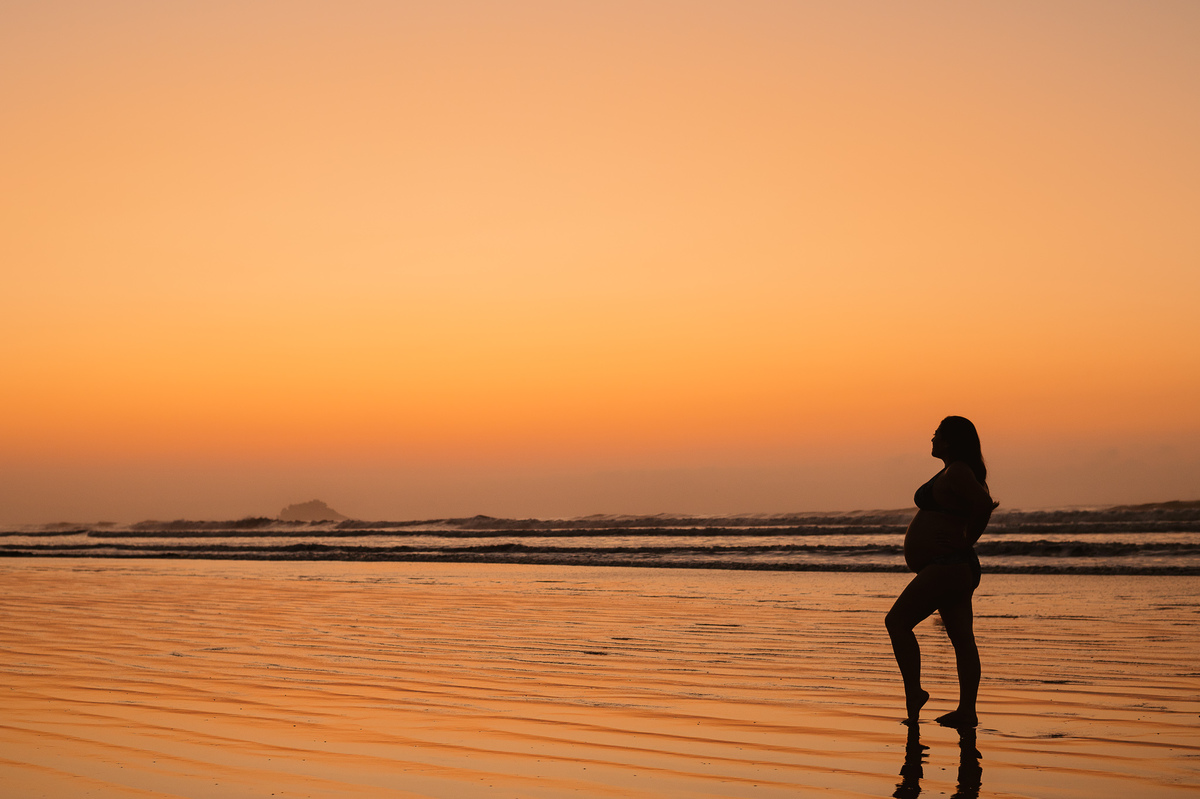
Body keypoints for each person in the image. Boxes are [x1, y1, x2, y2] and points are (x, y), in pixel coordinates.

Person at [885, 416, 998, 728]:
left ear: (950, 441)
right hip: (954, 567)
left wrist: (966, 539)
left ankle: (915, 692)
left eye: (937, 435)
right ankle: (967, 711)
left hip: (949, 566)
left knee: (896, 622)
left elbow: (984, 504)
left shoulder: (959, 470)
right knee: (962, 638)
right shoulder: (952, 470)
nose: (932, 440)